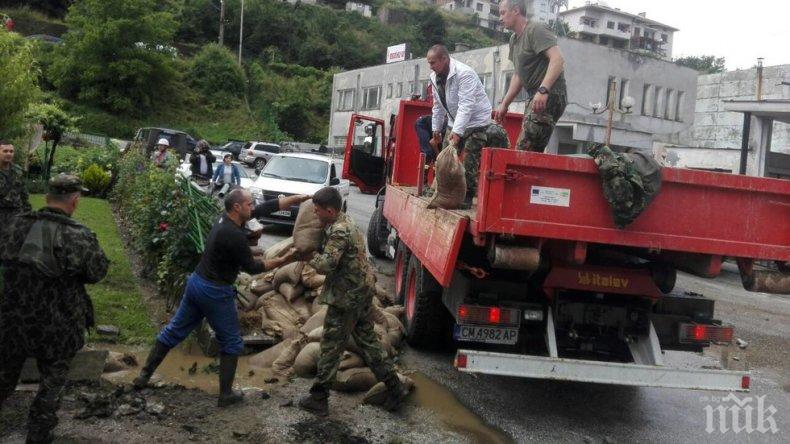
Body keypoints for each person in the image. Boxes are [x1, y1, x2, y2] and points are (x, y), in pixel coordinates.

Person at [132, 189, 306, 406]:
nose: (253, 208)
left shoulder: (227, 220)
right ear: (237, 207)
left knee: (174, 331)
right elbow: (252, 268)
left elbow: (266, 207)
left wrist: (297, 199)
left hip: (197, 283)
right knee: (232, 343)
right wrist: (286, 258)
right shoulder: (233, 234)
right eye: (249, 204)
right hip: (215, 291)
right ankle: (226, 395)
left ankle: (143, 376)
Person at [0, 174, 109, 443]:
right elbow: (96, 272)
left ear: (48, 197)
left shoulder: (14, 226)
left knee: (4, 376)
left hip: (13, 320)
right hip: (58, 325)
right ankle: (38, 434)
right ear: (74, 200)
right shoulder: (79, 236)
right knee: (51, 383)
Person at [298, 187, 408, 416]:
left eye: (318, 211)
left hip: (347, 299)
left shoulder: (339, 231)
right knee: (369, 344)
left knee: (330, 345)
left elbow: (327, 264)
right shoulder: (346, 221)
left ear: (330, 210)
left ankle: (319, 398)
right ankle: (395, 388)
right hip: (360, 296)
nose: (316, 214)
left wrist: (308, 257)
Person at [427, 44, 509, 203]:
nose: (430, 66)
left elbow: (466, 105)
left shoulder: (464, 74)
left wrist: (457, 132)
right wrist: (436, 129)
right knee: (445, 160)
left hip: (476, 122)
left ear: (444, 59)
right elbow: (437, 106)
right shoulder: (434, 77)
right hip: (454, 121)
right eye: (429, 63)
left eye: (433, 62)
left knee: (469, 162)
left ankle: (466, 197)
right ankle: (442, 193)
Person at [494, 0, 567, 152]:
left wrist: (543, 90)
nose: (500, 18)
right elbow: (518, 75)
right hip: (534, 95)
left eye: (502, 12)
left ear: (516, 10)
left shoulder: (535, 29)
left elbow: (558, 59)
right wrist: (504, 104)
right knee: (526, 150)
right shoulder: (514, 40)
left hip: (550, 92)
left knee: (525, 150)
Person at [0, 141, 31, 222]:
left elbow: (24, 193)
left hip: (15, 214)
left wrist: (28, 212)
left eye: (11, 151)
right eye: (5, 151)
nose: (9, 154)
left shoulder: (18, 170)